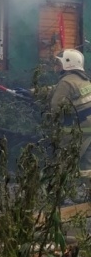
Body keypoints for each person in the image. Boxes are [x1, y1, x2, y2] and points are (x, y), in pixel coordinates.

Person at [48, 49, 91, 177]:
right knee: (87, 165)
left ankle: (56, 193)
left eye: (59, 63)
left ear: (68, 64)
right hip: (89, 128)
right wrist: (31, 92)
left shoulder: (66, 82)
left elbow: (56, 109)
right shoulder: (83, 79)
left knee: (62, 163)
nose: (56, 66)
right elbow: (55, 89)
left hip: (76, 130)